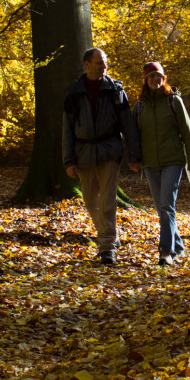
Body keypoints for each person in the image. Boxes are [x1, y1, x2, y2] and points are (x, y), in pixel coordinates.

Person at [61, 48, 141, 266]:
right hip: (83, 154)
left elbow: (128, 125)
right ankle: (110, 235)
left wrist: (133, 155)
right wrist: (68, 160)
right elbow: (67, 129)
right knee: (90, 202)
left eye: (105, 63)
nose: (103, 67)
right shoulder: (74, 93)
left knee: (107, 201)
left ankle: (107, 248)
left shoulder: (115, 91)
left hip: (109, 151)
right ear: (87, 64)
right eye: (99, 63)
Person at [134, 61, 190, 266]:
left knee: (167, 205)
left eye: (159, 76)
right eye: (151, 76)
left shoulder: (173, 101)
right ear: (146, 80)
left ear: (164, 78)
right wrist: (133, 159)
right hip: (150, 163)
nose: (156, 79)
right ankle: (178, 246)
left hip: (173, 161)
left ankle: (165, 252)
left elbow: (187, 133)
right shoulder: (139, 105)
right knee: (161, 207)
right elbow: (134, 136)